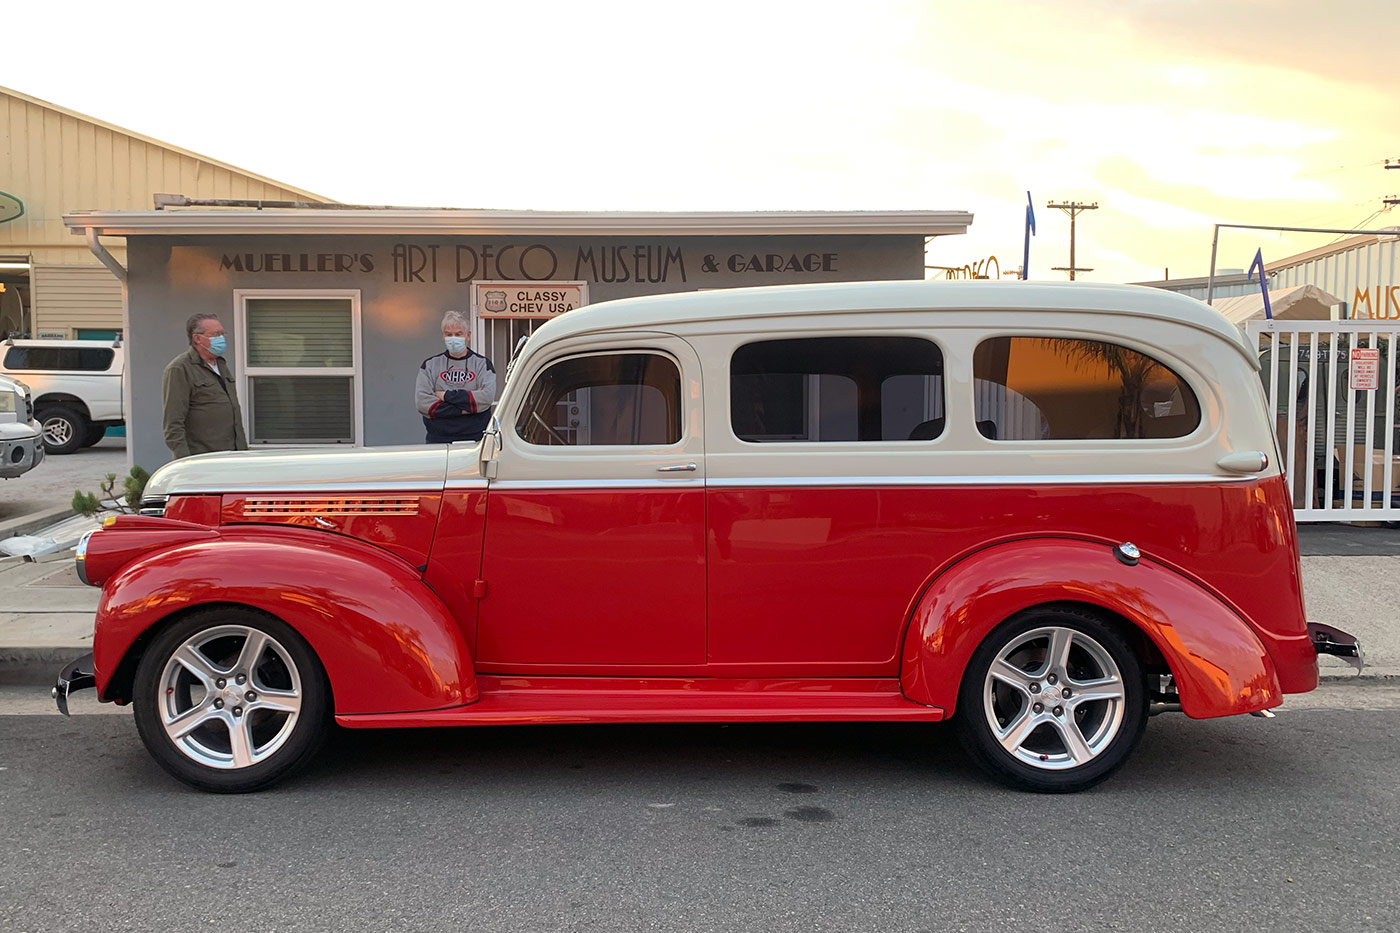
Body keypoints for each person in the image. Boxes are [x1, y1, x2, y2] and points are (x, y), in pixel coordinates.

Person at [162, 313, 248, 459]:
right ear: (197, 338)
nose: (221, 338)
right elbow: (173, 424)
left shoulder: (220, 365)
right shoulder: (179, 369)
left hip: (233, 454)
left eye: (222, 333)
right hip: (203, 458)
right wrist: (185, 462)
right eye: (215, 334)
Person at [415, 310, 496, 443]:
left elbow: (486, 397)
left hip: (475, 440)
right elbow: (422, 403)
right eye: (449, 334)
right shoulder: (430, 365)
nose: (453, 338)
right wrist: (467, 408)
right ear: (443, 336)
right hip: (438, 440)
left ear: (468, 336)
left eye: (458, 334)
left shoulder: (482, 364)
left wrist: (445, 396)